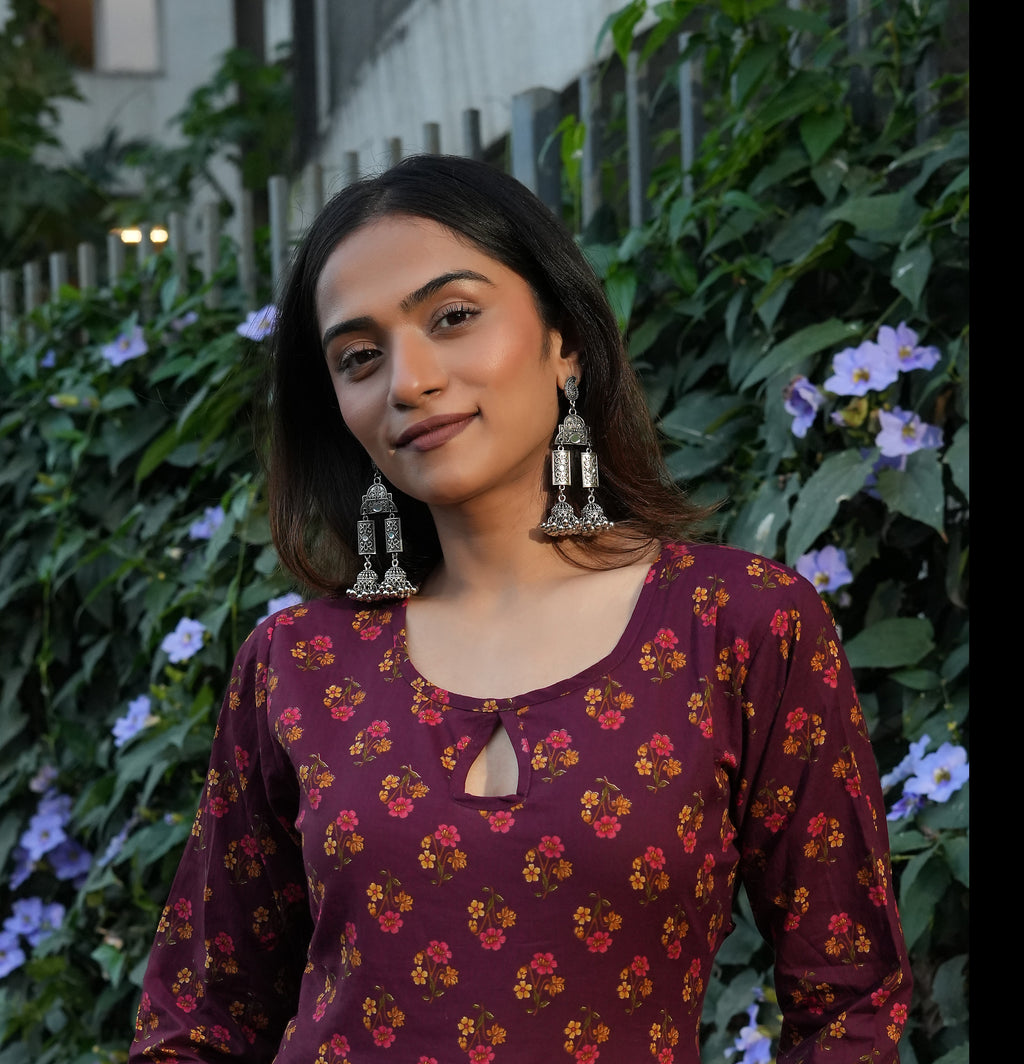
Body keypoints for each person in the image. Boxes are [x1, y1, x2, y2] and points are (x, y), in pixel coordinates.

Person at [129, 154, 911, 1063]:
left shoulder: (739, 625)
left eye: (453, 317)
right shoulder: (298, 664)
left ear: (562, 337)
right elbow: (198, 1019)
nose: (408, 381)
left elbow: (850, 1003)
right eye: (359, 358)